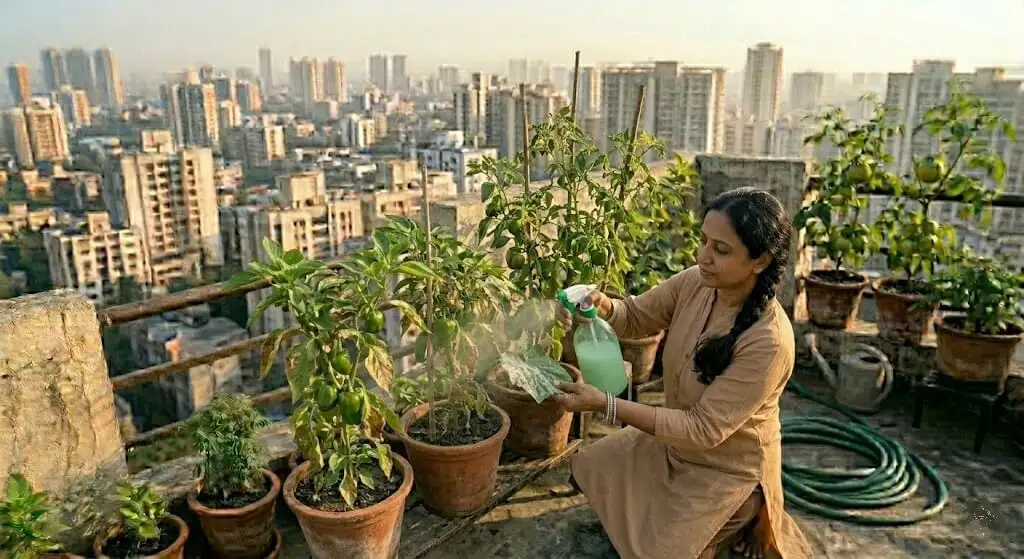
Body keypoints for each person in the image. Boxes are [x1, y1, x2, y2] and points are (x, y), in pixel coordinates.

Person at [552, 187, 813, 559]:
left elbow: (702, 430)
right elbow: (637, 317)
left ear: (760, 260)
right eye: (704, 241)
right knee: (586, 468)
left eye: (720, 250)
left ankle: (748, 509)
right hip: (673, 444)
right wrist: (603, 306)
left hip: (724, 468)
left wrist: (607, 405)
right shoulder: (697, 282)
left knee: (658, 553)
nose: (703, 256)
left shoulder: (769, 341)